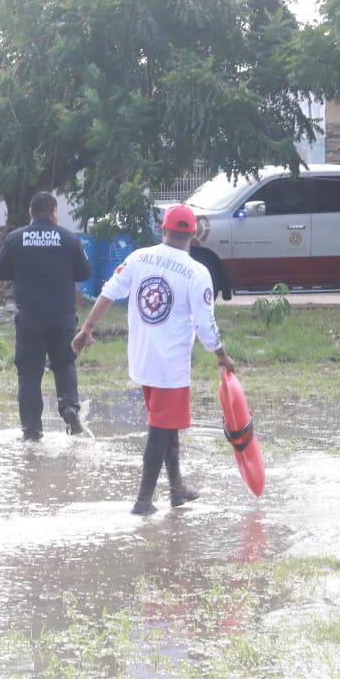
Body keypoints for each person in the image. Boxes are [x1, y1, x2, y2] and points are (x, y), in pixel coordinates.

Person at [72, 204, 234, 515]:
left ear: (163, 230)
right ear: (193, 236)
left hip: (142, 360)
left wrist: (87, 329)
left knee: (166, 425)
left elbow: (108, 291)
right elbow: (205, 324)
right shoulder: (198, 273)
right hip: (170, 367)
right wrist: (221, 355)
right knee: (159, 431)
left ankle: (176, 489)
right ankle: (143, 500)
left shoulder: (138, 257)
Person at [0, 191, 94, 440]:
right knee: (64, 363)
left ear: (30, 212)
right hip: (62, 317)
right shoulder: (69, 239)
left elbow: (0, 272)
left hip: (29, 318)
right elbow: (84, 273)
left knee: (28, 373)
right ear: (54, 212)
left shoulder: (16, 239)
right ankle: (69, 408)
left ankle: (32, 432)